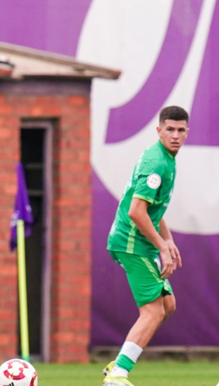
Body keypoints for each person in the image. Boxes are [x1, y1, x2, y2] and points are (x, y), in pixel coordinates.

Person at [102, 106, 189, 386]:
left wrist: (169, 239)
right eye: (170, 129)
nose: (175, 135)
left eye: (181, 130)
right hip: (131, 242)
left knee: (168, 304)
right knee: (153, 311)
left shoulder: (167, 158)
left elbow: (153, 209)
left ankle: (120, 362)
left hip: (139, 242)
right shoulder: (157, 163)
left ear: (187, 132)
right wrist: (162, 247)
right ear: (159, 130)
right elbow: (137, 212)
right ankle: (118, 374)